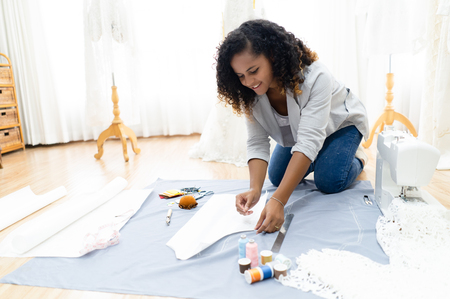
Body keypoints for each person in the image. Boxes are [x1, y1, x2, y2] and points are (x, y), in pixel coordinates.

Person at [215, 19, 369, 234]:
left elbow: (309, 140)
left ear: (272, 56)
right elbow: (257, 142)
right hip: (302, 134)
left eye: (253, 70)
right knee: (277, 177)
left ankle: (358, 157)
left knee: (329, 180)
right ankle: (323, 156)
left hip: (341, 126)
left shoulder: (317, 77)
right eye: (240, 76)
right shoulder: (249, 93)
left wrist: (279, 201)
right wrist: (254, 189)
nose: (249, 81)